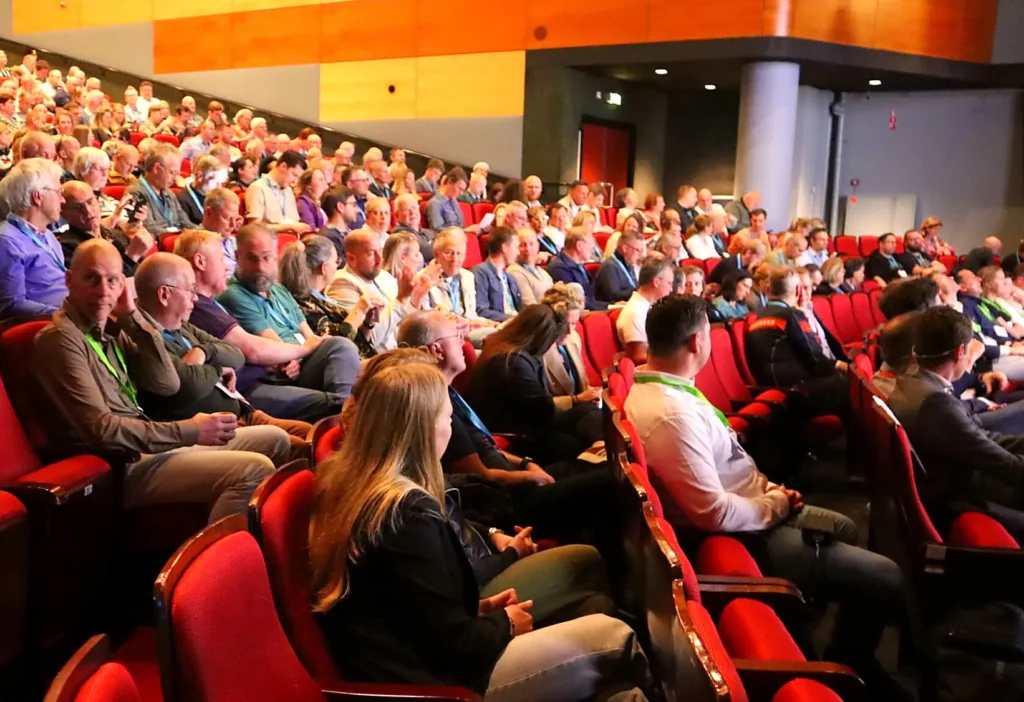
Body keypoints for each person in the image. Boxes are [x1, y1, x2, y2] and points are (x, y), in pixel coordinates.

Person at [309, 360, 651, 699]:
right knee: (616, 636)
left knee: (621, 690)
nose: (451, 426)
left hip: (422, 658)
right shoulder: (405, 514)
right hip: (438, 684)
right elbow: (455, 647)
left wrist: (480, 609)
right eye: (447, 418)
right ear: (424, 429)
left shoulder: (365, 487)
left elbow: (411, 608)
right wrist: (505, 623)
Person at [625, 293, 905, 697]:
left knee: (843, 526)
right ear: (697, 342)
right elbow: (712, 513)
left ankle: (816, 633)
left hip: (749, 504)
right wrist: (775, 503)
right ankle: (848, 658)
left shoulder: (669, 390)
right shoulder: (671, 414)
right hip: (741, 536)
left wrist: (769, 492)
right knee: (887, 576)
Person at [33, 238, 287, 522]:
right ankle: (219, 550)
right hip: (118, 464)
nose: (104, 291)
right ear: (69, 280)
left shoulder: (112, 330)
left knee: (275, 440)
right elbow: (101, 430)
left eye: (113, 280)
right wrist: (190, 431)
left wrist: (131, 316)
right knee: (253, 469)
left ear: (123, 286)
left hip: (147, 445)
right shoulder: (60, 339)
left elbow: (166, 383)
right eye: (92, 279)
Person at [887, 304, 1024, 541]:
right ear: (960, 352)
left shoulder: (911, 381)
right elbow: (1003, 465)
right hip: (960, 497)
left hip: (958, 478)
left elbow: (980, 440)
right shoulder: (935, 403)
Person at [215, 223, 360, 409]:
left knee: (357, 359)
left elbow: (310, 336)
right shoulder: (234, 294)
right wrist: (301, 352)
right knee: (341, 349)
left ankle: (344, 410)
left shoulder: (279, 289)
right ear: (237, 257)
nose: (260, 267)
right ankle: (344, 413)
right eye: (252, 259)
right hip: (275, 376)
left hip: (302, 361)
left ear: (275, 256)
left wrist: (305, 351)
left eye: (266, 257)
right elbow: (274, 346)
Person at [464, 305, 604, 463]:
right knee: (577, 440)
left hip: (525, 423)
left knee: (588, 411)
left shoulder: (508, 349)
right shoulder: (513, 361)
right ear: (543, 337)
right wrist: (574, 402)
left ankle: (603, 449)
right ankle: (603, 454)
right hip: (515, 432)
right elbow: (541, 409)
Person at [746, 267, 848, 417]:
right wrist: (842, 369)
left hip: (771, 391)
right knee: (849, 384)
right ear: (798, 290)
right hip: (796, 394)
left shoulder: (756, 318)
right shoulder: (793, 316)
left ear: (768, 289)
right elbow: (815, 357)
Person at [326, 228, 435, 351]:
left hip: (403, 349)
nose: (379, 260)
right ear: (351, 258)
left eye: (380, 251)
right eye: (370, 254)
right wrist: (401, 299)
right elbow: (368, 340)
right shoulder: (342, 282)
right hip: (381, 357)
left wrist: (417, 296)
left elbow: (402, 319)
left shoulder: (383, 276)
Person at [279, 235, 384, 359]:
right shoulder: (303, 305)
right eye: (336, 262)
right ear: (323, 268)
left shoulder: (318, 297)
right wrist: (358, 311)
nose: (337, 266)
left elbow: (358, 343)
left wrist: (367, 323)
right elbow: (336, 347)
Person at [0, 158, 69, 316]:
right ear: (38, 197)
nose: (63, 200)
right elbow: (12, 305)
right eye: (59, 192)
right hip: (49, 323)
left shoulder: (48, 235)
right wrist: (65, 315)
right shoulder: (6, 241)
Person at [59, 180, 153, 277]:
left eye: (90, 202)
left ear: (98, 202)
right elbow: (103, 283)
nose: (88, 211)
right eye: (77, 207)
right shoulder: (68, 248)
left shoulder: (117, 235)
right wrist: (132, 256)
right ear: (63, 213)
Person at [959, 267, 1024, 382]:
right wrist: (1011, 348)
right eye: (973, 278)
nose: (979, 279)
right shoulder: (965, 306)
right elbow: (978, 342)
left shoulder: (980, 304)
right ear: (963, 287)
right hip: (991, 360)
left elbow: (995, 332)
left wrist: (1011, 344)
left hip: (1005, 350)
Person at [539, 283, 598, 410]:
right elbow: (538, 405)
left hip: (580, 410)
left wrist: (594, 393)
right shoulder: (537, 351)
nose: (570, 332)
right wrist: (576, 399)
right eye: (565, 325)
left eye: (573, 324)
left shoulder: (573, 338)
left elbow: (582, 385)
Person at [617, 256, 675, 364]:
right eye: (669, 283)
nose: (671, 289)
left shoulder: (647, 307)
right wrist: (676, 360)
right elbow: (639, 356)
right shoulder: (635, 312)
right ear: (656, 282)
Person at [125, 143, 191, 233]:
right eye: (172, 173)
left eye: (177, 174)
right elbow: (149, 229)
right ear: (156, 168)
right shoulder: (135, 192)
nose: (175, 179)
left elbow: (185, 222)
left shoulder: (170, 194)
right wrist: (178, 235)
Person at [245, 150, 310, 233]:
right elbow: (254, 227)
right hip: (270, 238)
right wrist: (286, 227)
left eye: (298, 178)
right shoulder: (258, 188)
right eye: (294, 175)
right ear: (283, 166)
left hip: (291, 238)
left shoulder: (288, 190)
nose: (295, 181)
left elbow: (294, 220)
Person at [547, 227, 607, 311]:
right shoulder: (559, 268)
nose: (593, 251)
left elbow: (591, 297)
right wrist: (607, 307)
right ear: (579, 246)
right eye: (591, 246)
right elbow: (575, 300)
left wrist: (611, 305)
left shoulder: (578, 264)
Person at [472, 225, 522, 322]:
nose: (518, 252)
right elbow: (481, 311)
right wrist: (514, 319)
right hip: (500, 324)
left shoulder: (510, 277)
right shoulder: (481, 272)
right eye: (516, 247)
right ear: (504, 248)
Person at [594, 227, 643, 304]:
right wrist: (639, 290)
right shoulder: (609, 267)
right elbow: (613, 297)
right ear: (625, 248)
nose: (640, 255)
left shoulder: (629, 263)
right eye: (638, 250)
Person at [508, 228, 553, 306]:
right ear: (515, 248)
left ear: (538, 246)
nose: (528, 249)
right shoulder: (515, 272)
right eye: (522, 245)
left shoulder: (543, 272)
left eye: (531, 244)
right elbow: (530, 306)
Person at [392, 192, 436, 263]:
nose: (412, 212)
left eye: (414, 207)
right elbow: (424, 251)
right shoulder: (399, 234)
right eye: (406, 209)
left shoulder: (428, 232)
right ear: (397, 214)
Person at [425, 167, 468, 231]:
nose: (461, 193)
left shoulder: (454, 202)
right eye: (459, 189)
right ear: (449, 182)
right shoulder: (434, 203)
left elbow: (462, 225)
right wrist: (465, 230)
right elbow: (437, 230)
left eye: (463, 190)